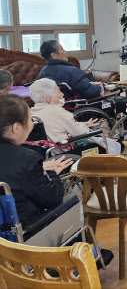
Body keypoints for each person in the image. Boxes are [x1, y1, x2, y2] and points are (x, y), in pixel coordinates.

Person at [0, 94, 73, 224]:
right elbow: (52, 197)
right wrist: (51, 174)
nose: (32, 125)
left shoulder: (24, 162)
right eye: (29, 120)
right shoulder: (26, 159)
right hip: (22, 235)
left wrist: (37, 170)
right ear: (15, 128)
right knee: (72, 202)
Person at [29, 78, 123, 155]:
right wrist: (85, 127)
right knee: (105, 143)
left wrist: (81, 124)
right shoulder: (58, 112)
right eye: (59, 92)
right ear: (49, 99)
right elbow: (81, 133)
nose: (62, 95)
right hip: (63, 151)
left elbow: (58, 126)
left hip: (46, 153)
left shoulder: (32, 112)